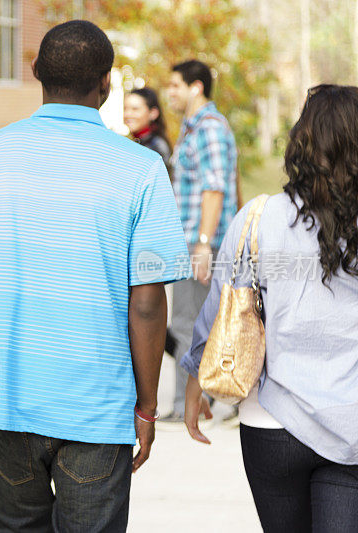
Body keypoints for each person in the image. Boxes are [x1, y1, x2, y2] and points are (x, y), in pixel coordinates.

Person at [0, 21, 189, 532]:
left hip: (12, 406)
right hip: (98, 413)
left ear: (36, 71)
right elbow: (147, 301)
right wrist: (146, 408)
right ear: (106, 83)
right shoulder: (141, 169)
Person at [182, 84, 358, 532]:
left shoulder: (257, 217)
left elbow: (218, 313)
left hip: (271, 422)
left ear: (301, 142)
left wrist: (194, 388)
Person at [164, 59, 239, 422]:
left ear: (196, 87)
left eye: (176, 85)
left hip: (201, 244)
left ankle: (189, 405)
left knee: (189, 323)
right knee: (195, 323)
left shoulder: (208, 129)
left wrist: (205, 245)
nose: (170, 92)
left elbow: (215, 188)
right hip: (193, 242)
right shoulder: (194, 128)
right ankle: (197, 401)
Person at [124, 87, 172, 170]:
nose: (128, 114)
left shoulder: (157, 146)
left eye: (135, 109)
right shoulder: (137, 142)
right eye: (125, 109)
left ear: (153, 113)